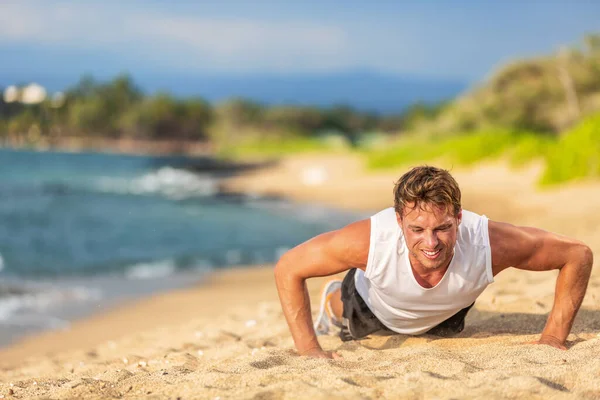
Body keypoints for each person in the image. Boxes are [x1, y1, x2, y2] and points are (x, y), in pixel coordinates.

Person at [274, 166, 594, 359]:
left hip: (446, 317)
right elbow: (289, 267)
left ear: (458, 217)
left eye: (442, 228)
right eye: (417, 229)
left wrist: (552, 337)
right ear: (399, 220)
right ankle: (332, 303)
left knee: (442, 324)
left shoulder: (490, 243)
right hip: (369, 307)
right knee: (345, 311)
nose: (430, 243)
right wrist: (309, 350)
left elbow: (577, 254)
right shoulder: (369, 241)